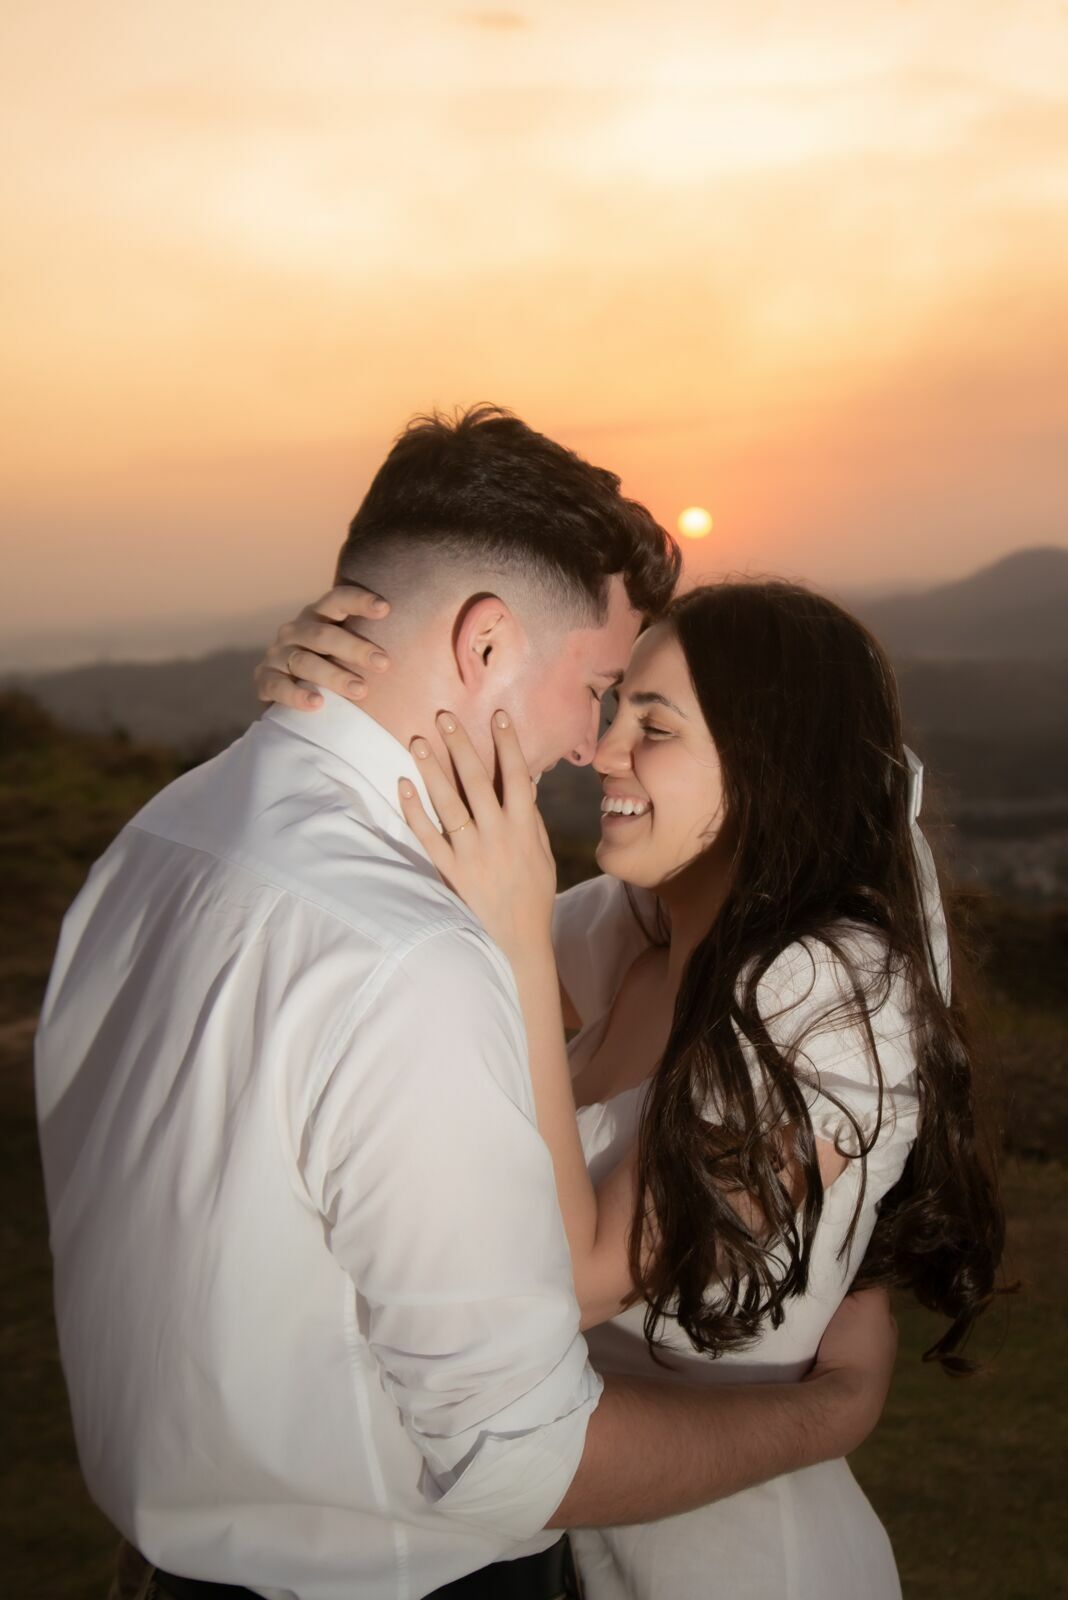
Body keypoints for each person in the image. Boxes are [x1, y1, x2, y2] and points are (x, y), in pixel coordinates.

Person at [36, 407, 897, 1600]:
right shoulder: (422, 954)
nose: (589, 744)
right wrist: (830, 1416)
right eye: (601, 691)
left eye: (647, 716)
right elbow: (516, 1462)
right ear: (487, 645)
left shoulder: (163, 837)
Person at [260, 574, 1004, 1599]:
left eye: (654, 724)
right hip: (568, 1537)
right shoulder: (631, 926)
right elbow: (394, 921)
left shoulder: (826, 989)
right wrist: (324, 712)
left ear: (767, 763)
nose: (603, 749)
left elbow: (577, 1276)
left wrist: (520, 937)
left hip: (741, 1564)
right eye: (615, 707)